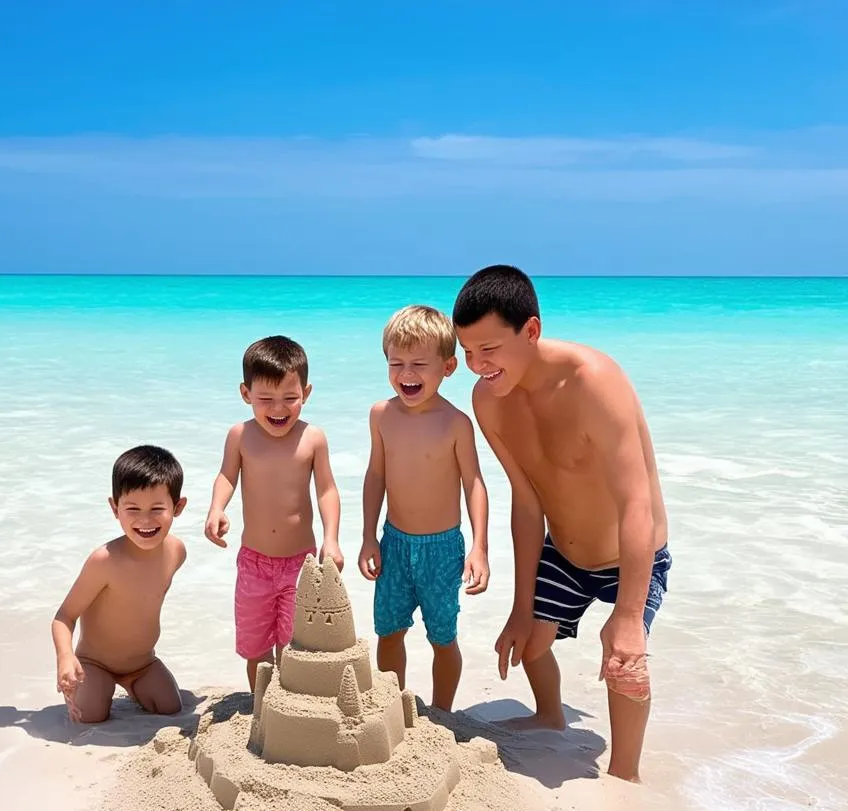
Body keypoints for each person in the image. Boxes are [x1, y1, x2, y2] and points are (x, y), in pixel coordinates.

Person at [454, 265, 671, 782]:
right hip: (565, 554)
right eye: (466, 353)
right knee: (531, 641)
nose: (476, 365)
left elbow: (635, 503)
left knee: (624, 660)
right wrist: (520, 606)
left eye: (489, 349)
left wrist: (627, 614)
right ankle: (549, 715)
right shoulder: (489, 400)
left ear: (530, 331)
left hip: (630, 553)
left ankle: (624, 773)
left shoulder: (594, 382)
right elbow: (527, 504)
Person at [358, 305, 490, 713]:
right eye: (396, 363)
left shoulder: (456, 423)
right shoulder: (381, 415)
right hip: (394, 543)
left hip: (442, 549)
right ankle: (391, 708)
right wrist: (367, 537)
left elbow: (474, 484)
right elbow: (376, 476)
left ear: (448, 367)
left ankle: (443, 713)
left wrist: (480, 547)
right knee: (389, 631)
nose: (406, 373)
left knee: (442, 637)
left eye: (418, 363)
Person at [205, 335, 343, 690]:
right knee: (256, 648)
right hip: (253, 563)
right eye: (265, 399)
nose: (278, 409)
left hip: (301, 563)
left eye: (290, 398)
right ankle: (261, 707)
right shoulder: (240, 436)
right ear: (245, 393)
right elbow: (226, 476)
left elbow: (327, 490)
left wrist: (331, 539)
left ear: (307, 393)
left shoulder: (313, 438)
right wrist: (216, 508)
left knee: (296, 646)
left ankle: (292, 709)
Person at [52, 445, 187, 723]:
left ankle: (132, 686)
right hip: (95, 663)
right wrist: (65, 657)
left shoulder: (176, 552)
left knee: (170, 706)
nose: (145, 520)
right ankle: (95, 687)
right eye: (133, 508)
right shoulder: (104, 561)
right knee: (91, 715)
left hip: (142, 663)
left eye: (157, 508)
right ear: (115, 508)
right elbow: (64, 616)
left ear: (178, 507)